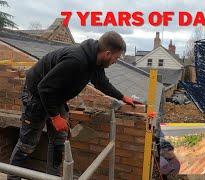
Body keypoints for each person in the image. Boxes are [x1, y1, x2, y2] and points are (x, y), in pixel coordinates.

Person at [7, 31, 140, 179]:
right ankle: (13, 178)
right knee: (27, 145)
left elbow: (102, 83)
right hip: (36, 97)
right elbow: (44, 88)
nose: (116, 61)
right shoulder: (76, 60)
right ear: (107, 53)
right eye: (116, 58)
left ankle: (53, 177)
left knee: (58, 142)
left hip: (55, 97)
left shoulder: (95, 61)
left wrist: (122, 97)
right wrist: (55, 117)